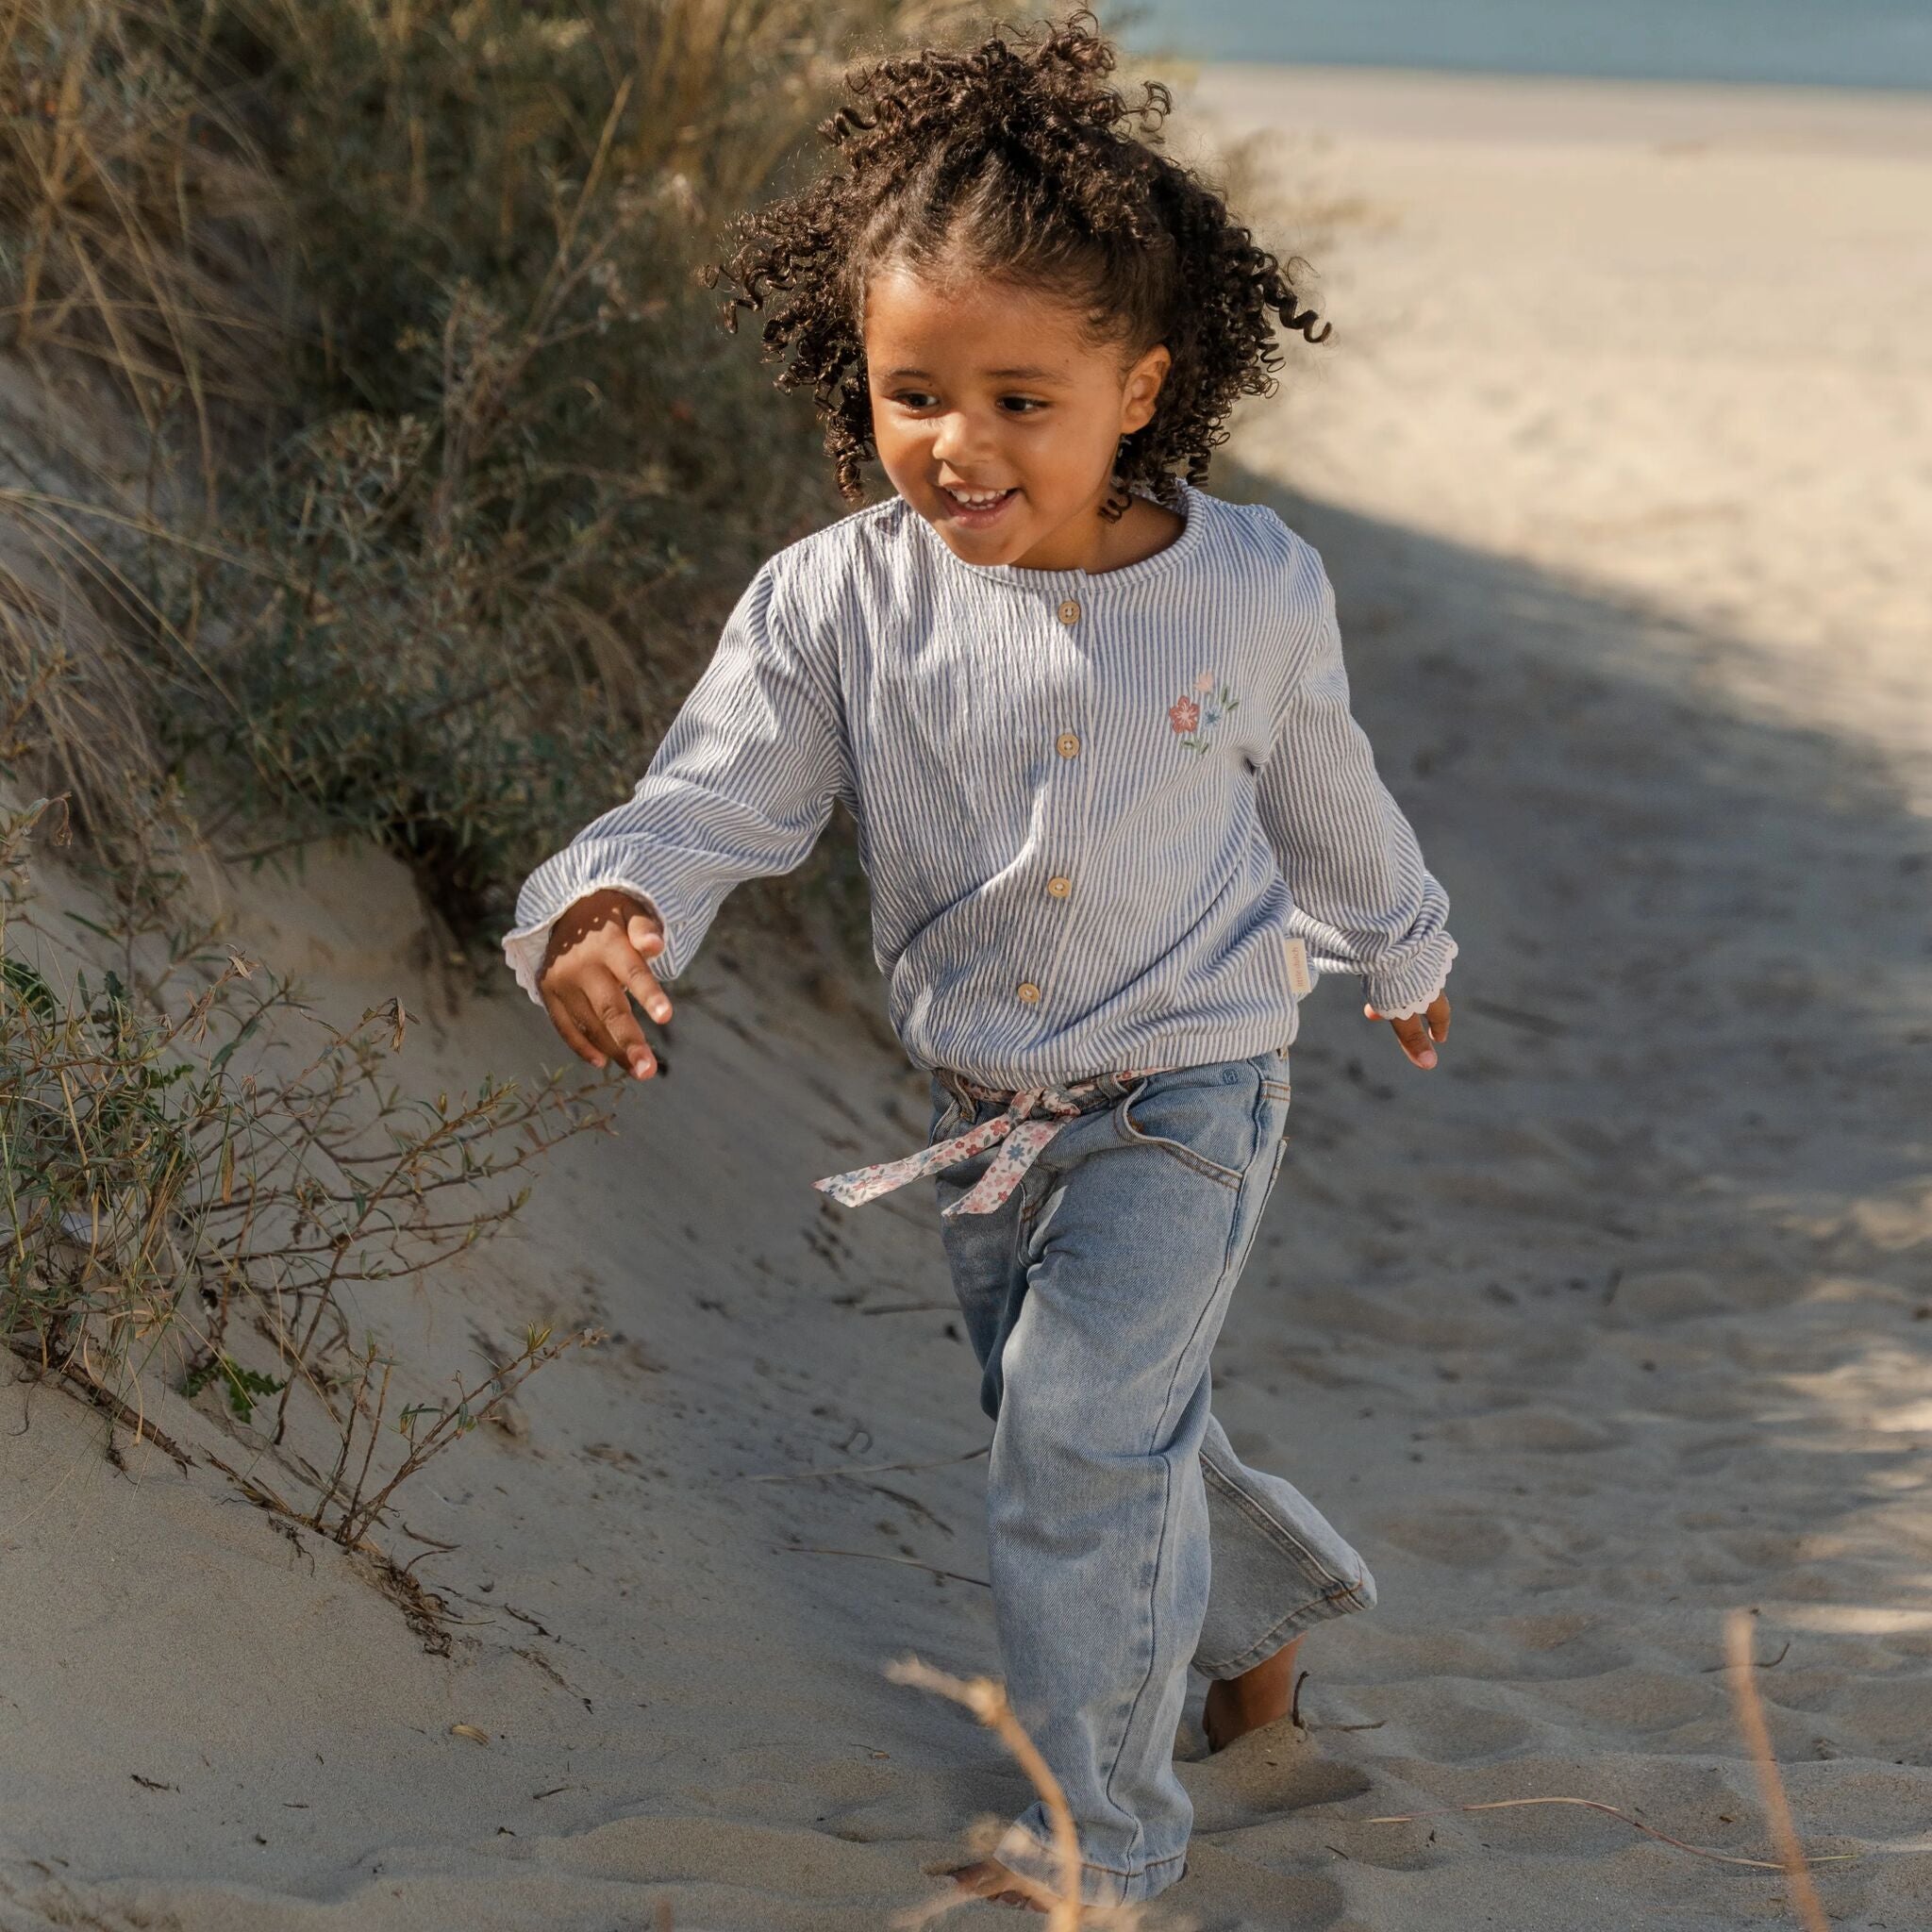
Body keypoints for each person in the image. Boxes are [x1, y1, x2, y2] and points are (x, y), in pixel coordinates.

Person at [501, 9, 1457, 1911]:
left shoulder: (1247, 585)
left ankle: (1099, 1835)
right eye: (912, 391)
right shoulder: (834, 598)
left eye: (1023, 396)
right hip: (981, 1114)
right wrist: (607, 907)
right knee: (1082, 1425)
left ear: (1141, 386)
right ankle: (1255, 1620)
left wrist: (1400, 943)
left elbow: (1319, 792)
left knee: (1074, 1448)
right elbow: (715, 799)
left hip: (1193, 1086)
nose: (957, 443)